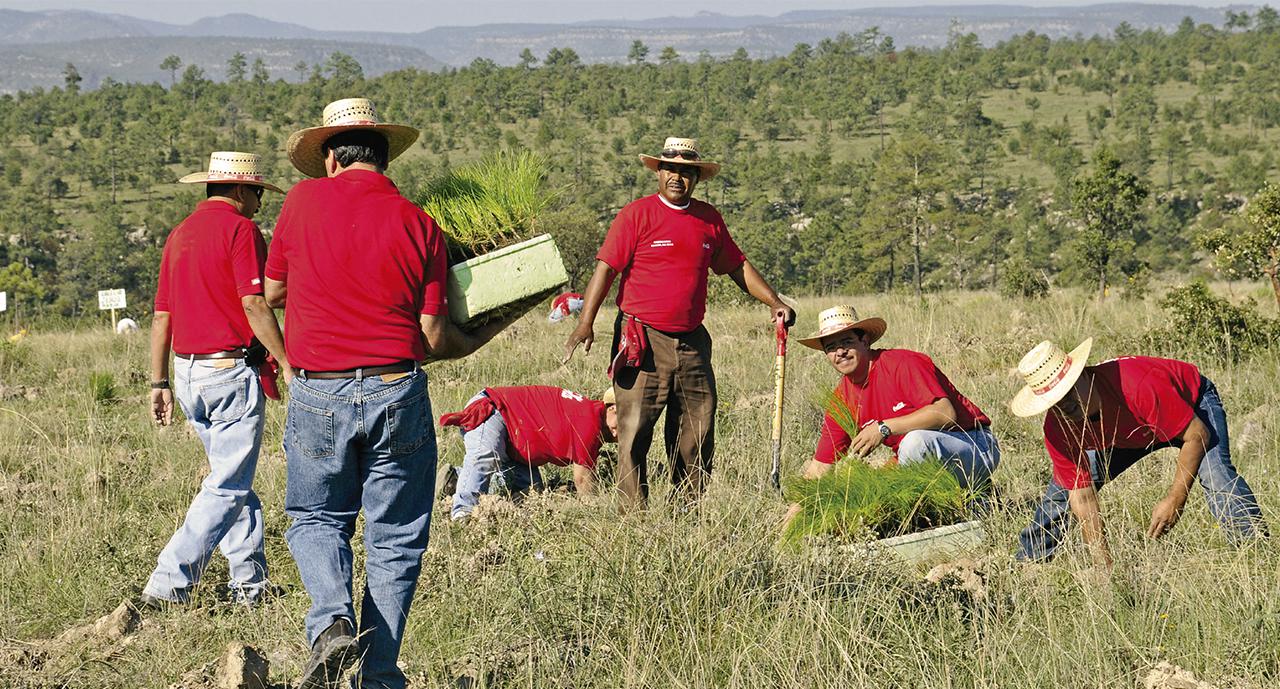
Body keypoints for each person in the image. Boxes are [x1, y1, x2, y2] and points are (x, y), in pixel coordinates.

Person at [266, 98, 512, 689]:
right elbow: (432, 335)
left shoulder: (300, 204)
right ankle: (377, 675)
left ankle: (330, 625)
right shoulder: (420, 223)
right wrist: (478, 337)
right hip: (396, 388)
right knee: (396, 537)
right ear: (383, 157)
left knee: (316, 517)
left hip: (319, 391)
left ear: (329, 159)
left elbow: (272, 290)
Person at [563, 137, 794, 508]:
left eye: (687, 172)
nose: (677, 177)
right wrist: (584, 323)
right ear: (659, 172)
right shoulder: (636, 215)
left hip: (692, 341)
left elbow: (737, 266)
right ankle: (632, 515)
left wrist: (774, 302)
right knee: (634, 428)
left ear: (696, 178)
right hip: (642, 337)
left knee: (697, 428)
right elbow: (606, 269)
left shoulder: (708, 220)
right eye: (671, 169)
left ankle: (685, 510)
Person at [141, 151, 290, 609]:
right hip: (228, 372)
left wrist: (158, 382)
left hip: (187, 373)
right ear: (241, 191)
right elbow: (254, 303)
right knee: (228, 485)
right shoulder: (241, 230)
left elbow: (162, 315)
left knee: (233, 479)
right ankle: (168, 583)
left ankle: (250, 586)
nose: (261, 203)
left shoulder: (179, 234)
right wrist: (286, 361)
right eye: (259, 193)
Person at [1012, 339, 1268, 568]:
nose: (1065, 407)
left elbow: (1197, 435)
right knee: (1063, 490)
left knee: (1217, 475)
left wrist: (1175, 500)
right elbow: (1082, 497)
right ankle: (1031, 562)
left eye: (1068, 395)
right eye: (1055, 403)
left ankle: (1256, 554)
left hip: (1191, 406)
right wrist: (1103, 567)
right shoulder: (1058, 427)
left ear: (1083, 375)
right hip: (1129, 433)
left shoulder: (1137, 386)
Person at [791, 305, 999, 492]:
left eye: (847, 342)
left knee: (915, 443)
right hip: (915, 460)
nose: (840, 352)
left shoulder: (902, 363)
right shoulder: (841, 399)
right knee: (868, 484)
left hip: (975, 445)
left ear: (865, 341)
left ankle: (970, 490)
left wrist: (883, 428)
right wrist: (792, 521)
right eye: (831, 347)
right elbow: (820, 467)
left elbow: (945, 413)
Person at [440, 386, 618, 520]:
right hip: (495, 411)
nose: (620, 434)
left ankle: (454, 478)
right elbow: (583, 481)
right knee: (485, 457)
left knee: (530, 491)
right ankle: (463, 512)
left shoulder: (591, 419)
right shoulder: (590, 422)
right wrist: (596, 514)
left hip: (517, 444)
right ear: (612, 409)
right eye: (622, 425)